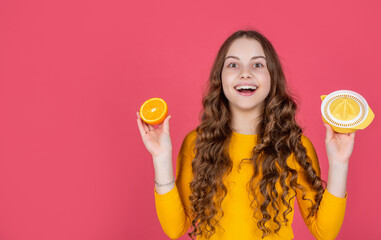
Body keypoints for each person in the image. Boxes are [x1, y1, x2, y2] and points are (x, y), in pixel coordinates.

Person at [136, 29, 355, 240]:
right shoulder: (196, 143)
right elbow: (175, 229)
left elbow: (325, 232)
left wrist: (339, 163)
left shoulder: (294, 146)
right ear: (220, 78)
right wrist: (161, 158)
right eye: (233, 64)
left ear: (272, 77)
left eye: (257, 64)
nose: (245, 73)